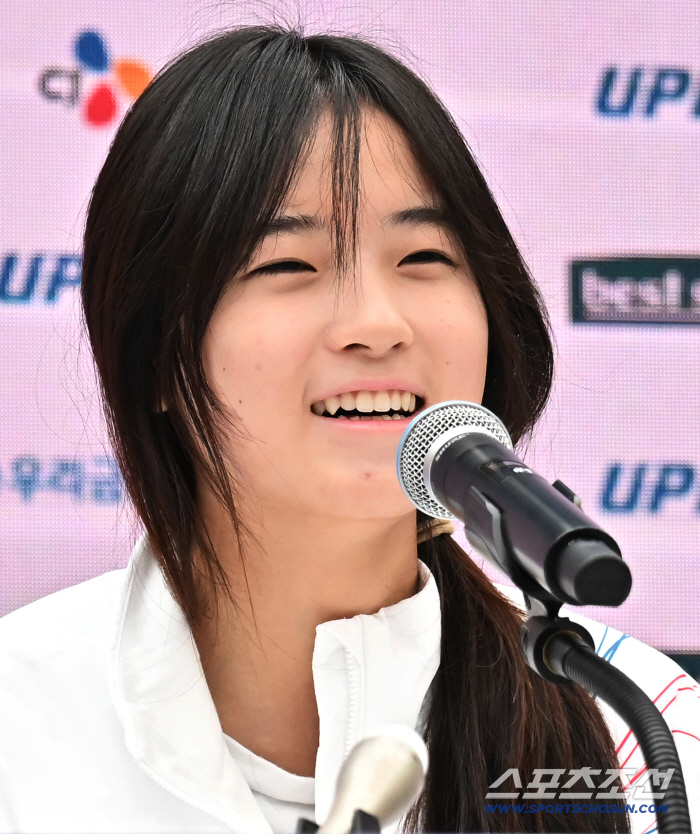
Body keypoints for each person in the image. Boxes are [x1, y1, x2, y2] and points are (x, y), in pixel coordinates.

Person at [0, 26, 698, 834]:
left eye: (424, 258)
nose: (376, 324)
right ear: (156, 353)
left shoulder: (638, 731)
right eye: (287, 266)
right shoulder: (22, 721)